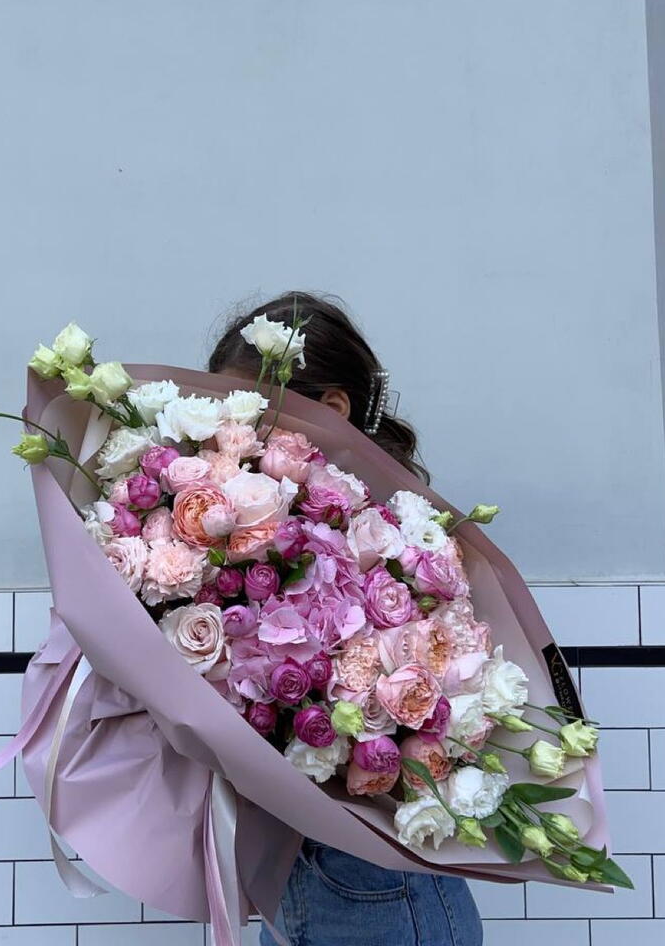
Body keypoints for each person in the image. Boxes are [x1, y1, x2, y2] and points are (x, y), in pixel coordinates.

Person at [208, 292, 484, 946]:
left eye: (249, 410)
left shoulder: (400, 548)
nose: (232, 432)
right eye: (224, 412)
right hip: (306, 873)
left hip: (376, 891)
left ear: (330, 410)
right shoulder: (271, 539)